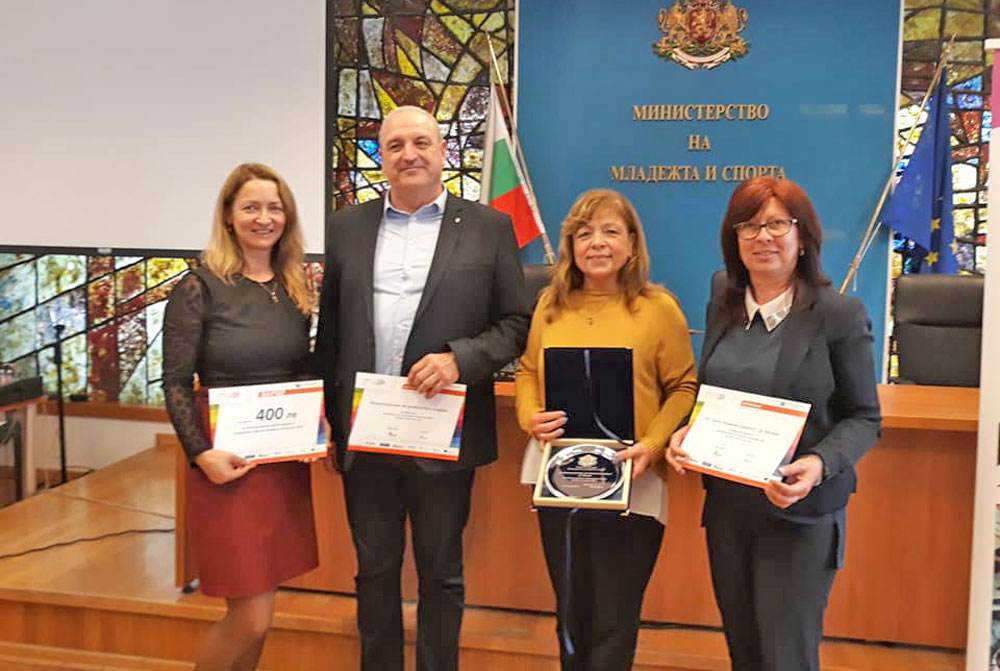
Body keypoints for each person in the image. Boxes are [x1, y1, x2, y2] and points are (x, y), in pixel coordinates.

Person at [313, 105, 530, 671]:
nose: (408, 154)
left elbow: (516, 323)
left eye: (421, 142)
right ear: (382, 158)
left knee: (441, 573)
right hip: (365, 433)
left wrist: (461, 359)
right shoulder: (346, 227)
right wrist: (326, 422)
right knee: (374, 571)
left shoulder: (488, 227)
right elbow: (331, 332)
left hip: (441, 433)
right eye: (394, 146)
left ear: (442, 151)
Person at [666, 177, 881, 671]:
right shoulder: (723, 297)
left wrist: (818, 464)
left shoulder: (839, 315)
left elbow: (865, 417)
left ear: (803, 237)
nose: (763, 236)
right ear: (734, 239)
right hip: (729, 511)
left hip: (799, 515)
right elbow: (712, 389)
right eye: (748, 225)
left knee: (786, 657)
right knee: (743, 651)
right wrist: (687, 430)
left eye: (777, 224)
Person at [515, 188, 697, 671]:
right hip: (560, 479)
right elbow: (528, 371)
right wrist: (529, 416)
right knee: (571, 613)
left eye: (610, 231)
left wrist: (652, 445)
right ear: (571, 246)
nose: (596, 242)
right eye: (584, 233)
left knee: (615, 616)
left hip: (632, 480)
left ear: (632, 244)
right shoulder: (550, 304)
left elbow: (684, 387)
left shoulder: (659, 308)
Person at [163, 163, 318, 671]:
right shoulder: (199, 286)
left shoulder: (294, 286)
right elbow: (175, 381)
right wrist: (200, 454)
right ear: (229, 216)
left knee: (262, 613)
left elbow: (300, 368)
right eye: (251, 207)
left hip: (281, 463)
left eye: (274, 208)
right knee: (250, 618)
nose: (263, 218)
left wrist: (317, 428)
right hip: (227, 463)